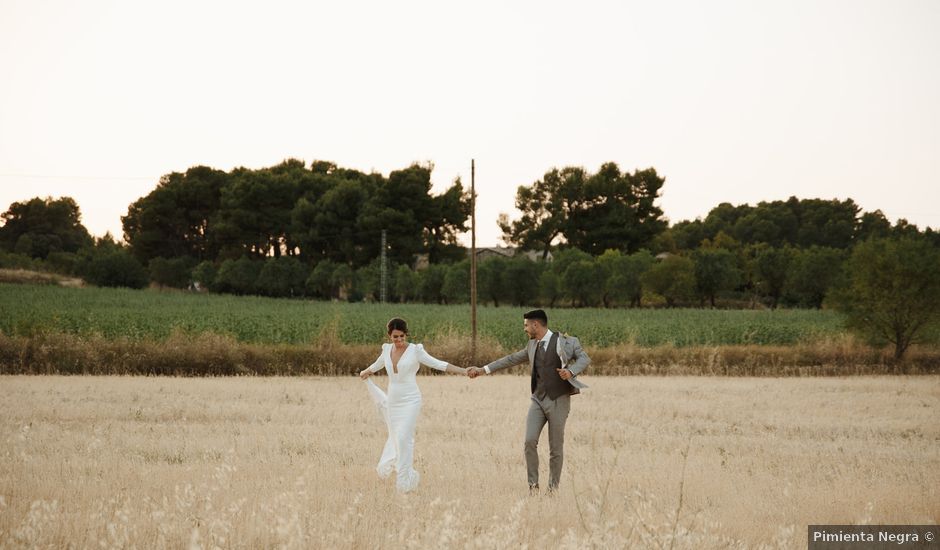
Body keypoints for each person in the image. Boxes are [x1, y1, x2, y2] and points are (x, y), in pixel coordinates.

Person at [467, 309, 590, 494]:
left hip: (559, 400)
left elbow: (584, 358)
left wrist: (571, 371)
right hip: (538, 400)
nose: (524, 329)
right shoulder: (532, 345)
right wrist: (483, 369)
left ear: (536, 325)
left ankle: (552, 489)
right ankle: (533, 486)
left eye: (526, 325)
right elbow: (510, 359)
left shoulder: (566, 341)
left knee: (555, 448)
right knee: (529, 441)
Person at [360, 317, 467, 493]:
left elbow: (438, 364)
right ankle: (409, 476)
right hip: (394, 400)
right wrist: (366, 371)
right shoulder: (386, 350)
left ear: (406, 334)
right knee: (396, 437)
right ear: (389, 336)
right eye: (396, 337)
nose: (400, 340)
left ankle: (403, 483)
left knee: (403, 438)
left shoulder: (415, 351)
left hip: (411, 399)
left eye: (402, 336)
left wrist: (463, 371)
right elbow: (378, 364)